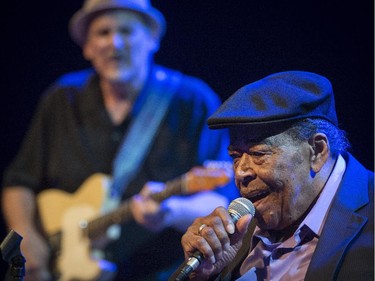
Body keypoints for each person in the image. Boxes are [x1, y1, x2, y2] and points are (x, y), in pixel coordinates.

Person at [0, 0, 239, 280]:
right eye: (103, 32)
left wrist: (171, 211)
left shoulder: (193, 101)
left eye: (127, 31)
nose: (114, 43)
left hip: (162, 271)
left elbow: (220, 202)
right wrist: (27, 237)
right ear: (87, 47)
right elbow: (19, 181)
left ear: (152, 39)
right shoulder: (61, 98)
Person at [172, 71, 374, 281]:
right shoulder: (238, 233)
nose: (241, 172)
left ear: (317, 150)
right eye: (235, 156)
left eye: (259, 154)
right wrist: (208, 275)